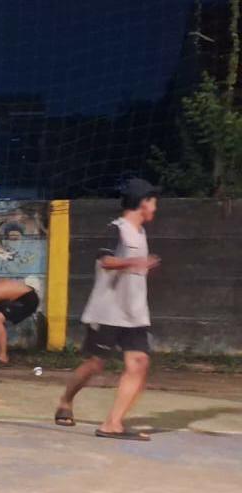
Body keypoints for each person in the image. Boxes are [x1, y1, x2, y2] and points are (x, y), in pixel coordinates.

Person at [54, 177, 161, 441]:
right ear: (142, 202)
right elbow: (106, 261)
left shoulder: (141, 233)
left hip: (134, 314)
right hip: (108, 312)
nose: (155, 207)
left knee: (140, 363)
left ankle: (112, 423)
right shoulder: (116, 229)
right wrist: (137, 262)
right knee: (95, 364)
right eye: (153, 202)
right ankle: (66, 400)